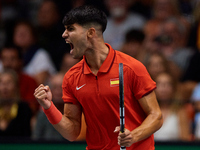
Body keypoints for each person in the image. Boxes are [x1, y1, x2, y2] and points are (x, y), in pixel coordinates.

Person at [34, 5, 163, 150]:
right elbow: (72, 133)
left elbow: (156, 116)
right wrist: (48, 107)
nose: (64, 34)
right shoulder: (71, 77)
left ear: (90, 32)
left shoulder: (131, 68)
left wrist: (133, 136)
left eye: (70, 29)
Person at [13, 20, 56, 84]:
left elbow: (37, 84)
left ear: (33, 36)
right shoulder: (7, 54)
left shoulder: (41, 55)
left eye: (25, 32)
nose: (21, 35)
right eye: (18, 32)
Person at [0, 45, 39, 115]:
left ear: (20, 61)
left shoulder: (30, 81)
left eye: (12, 59)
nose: (8, 63)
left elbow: (32, 109)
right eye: (4, 59)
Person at [154, 72, 191, 141]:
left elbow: (186, 142)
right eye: (160, 84)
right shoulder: (147, 112)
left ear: (173, 89)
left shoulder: (181, 112)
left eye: (168, 84)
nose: (163, 88)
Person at [0, 69, 32, 137]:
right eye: (1, 83)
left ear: (16, 86)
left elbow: (26, 136)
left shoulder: (24, 109)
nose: (5, 87)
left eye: (8, 82)